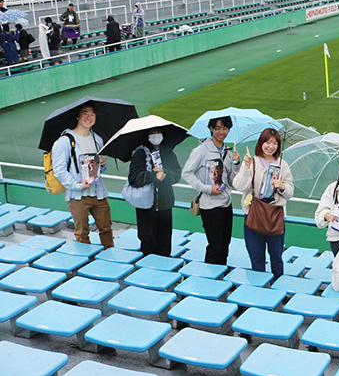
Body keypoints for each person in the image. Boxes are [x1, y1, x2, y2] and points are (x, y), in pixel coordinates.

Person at [51, 102, 114, 248]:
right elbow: (59, 170)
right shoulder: (64, 141)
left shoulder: (97, 139)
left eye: (92, 114)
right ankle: (86, 260)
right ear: (77, 117)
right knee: (82, 232)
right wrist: (77, 186)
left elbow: (99, 170)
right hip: (77, 196)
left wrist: (102, 164)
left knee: (106, 228)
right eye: (85, 113)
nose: (89, 117)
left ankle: (110, 255)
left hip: (98, 193)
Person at [233, 128, 294, 276]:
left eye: (274, 143)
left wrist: (282, 186)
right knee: (256, 258)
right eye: (267, 142)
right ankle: (259, 287)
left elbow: (290, 193)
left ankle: (277, 286)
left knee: (276, 258)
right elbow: (239, 186)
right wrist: (246, 167)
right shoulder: (252, 162)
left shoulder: (283, 164)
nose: (270, 146)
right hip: (254, 215)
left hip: (274, 217)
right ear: (261, 143)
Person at [182, 116, 240, 265]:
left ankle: (221, 273)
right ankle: (211, 277)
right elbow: (186, 173)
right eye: (218, 128)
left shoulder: (228, 151)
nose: (221, 132)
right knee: (215, 246)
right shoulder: (201, 150)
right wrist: (207, 188)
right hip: (210, 206)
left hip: (226, 204)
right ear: (211, 129)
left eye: (225, 128)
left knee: (225, 245)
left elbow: (232, 181)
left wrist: (236, 164)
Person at [127, 127, 182, 257]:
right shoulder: (140, 153)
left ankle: (165, 265)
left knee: (165, 241)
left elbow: (176, 175)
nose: (155, 135)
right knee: (148, 241)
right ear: (146, 135)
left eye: (158, 132)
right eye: (152, 132)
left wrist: (165, 173)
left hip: (165, 204)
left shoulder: (168, 153)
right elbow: (133, 178)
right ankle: (148, 265)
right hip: (146, 206)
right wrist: (153, 176)